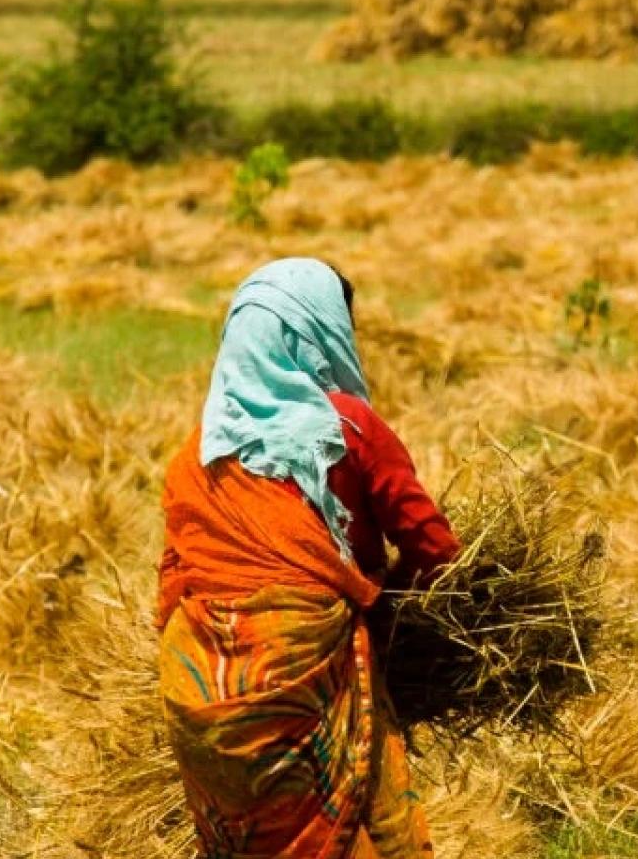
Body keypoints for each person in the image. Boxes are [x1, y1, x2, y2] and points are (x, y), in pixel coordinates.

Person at [156, 257, 458, 859]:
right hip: (306, 672)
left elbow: (173, 584)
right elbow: (436, 550)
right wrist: (392, 614)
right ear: (325, 333)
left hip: (197, 689)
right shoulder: (349, 428)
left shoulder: (198, 452)